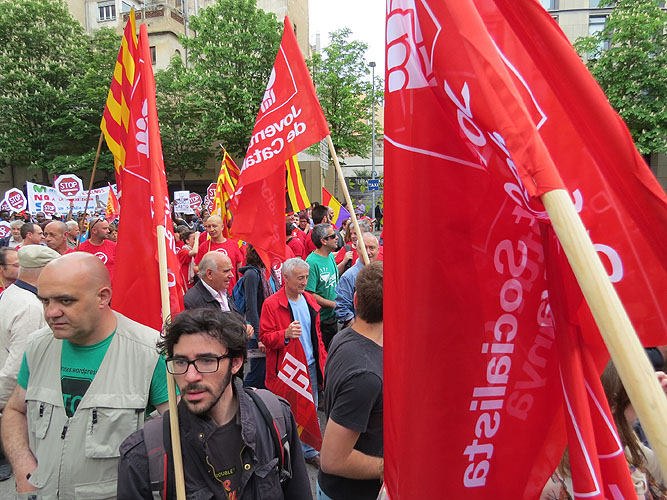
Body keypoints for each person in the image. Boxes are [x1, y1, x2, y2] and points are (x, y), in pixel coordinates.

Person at [1, 252, 171, 499]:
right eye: (45, 301)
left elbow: (181, 431)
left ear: (103, 297)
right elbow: (15, 410)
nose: (51, 312)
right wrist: (23, 468)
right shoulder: (37, 345)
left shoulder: (150, 352)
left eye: (65, 301)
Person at [117, 308, 313, 500]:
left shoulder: (275, 419)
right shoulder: (142, 455)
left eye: (206, 360)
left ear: (236, 363)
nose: (190, 376)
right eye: (181, 362)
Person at [318, 262, 384, 500]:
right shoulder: (366, 376)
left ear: (355, 300)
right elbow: (333, 460)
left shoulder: (344, 336)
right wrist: (390, 467)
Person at [260, 258, 327, 469]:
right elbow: (265, 338)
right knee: (285, 410)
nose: (304, 282)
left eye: (306, 277)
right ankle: (284, 450)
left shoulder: (309, 300)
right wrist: (285, 335)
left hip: (310, 365)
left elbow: (317, 336)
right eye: (300, 278)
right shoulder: (271, 304)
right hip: (285, 369)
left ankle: (309, 451)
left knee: (310, 408)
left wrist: (323, 360)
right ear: (286, 278)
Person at [238, 245, 277, 390]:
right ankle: (243, 396)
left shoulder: (269, 271)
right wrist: (260, 337)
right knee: (257, 372)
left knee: (267, 371)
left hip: (270, 328)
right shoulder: (252, 274)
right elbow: (251, 307)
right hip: (258, 331)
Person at [306, 224, 348, 350]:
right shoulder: (312, 263)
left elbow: (333, 277)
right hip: (321, 320)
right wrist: (333, 304)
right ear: (323, 241)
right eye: (333, 236)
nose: (337, 237)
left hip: (333, 316)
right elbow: (309, 294)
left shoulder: (329, 255)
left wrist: (344, 263)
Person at [334, 233, 380, 328]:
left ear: (378, 250)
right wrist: (357, 328)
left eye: (372, 248)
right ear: (357, 251)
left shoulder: (382, 273)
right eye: (363, 248)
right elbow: (341, 307)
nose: (368, 252)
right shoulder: (349, 277)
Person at [193, 215, 244, 293]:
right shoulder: (204, 246)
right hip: (212, 292)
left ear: (222, 227)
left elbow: (239, 265)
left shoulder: (233, 244)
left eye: (214, 226)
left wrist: (240, 287)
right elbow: (196, 267)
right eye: (208, 227)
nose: (211, 229)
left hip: (231, 291)